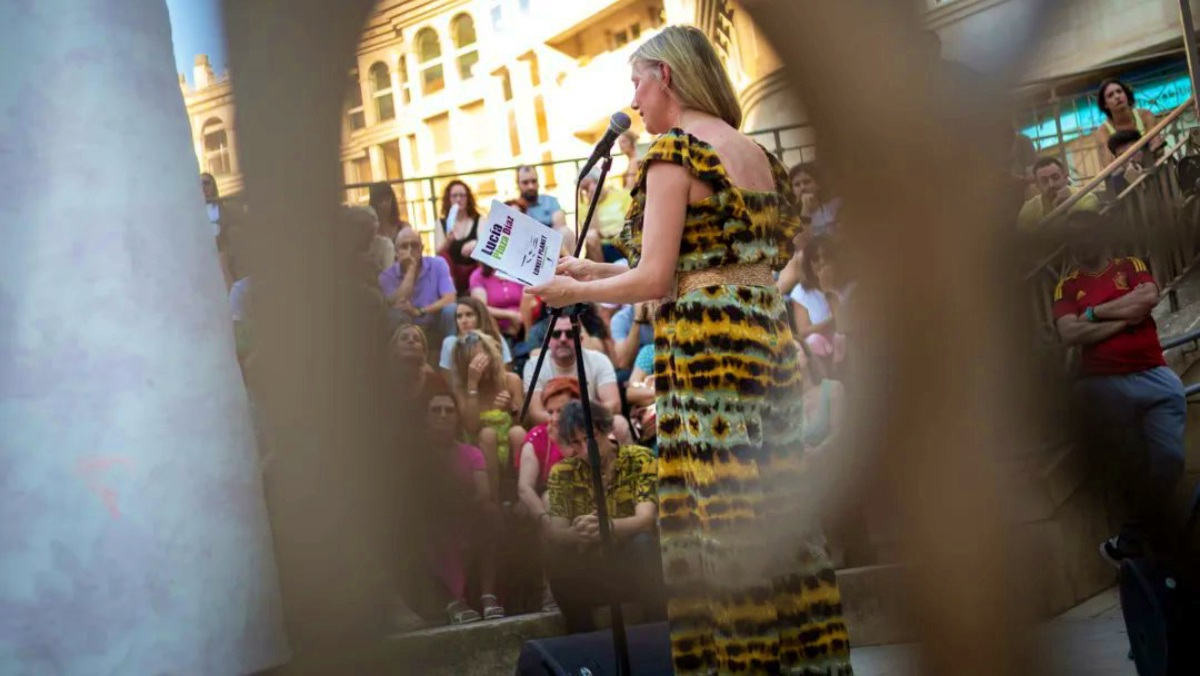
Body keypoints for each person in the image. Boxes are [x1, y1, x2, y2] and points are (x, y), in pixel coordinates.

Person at [527, 25, 852, 673]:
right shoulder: (756, 153)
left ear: (666, 77)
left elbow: (655, 279)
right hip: (764, 339)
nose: (634, 99)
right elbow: (702, 261)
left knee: (719, 516)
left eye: (637, 82)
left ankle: (742, 663)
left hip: (708, 350)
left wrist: (572, 293)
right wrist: (592, 272)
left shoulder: (674, 152)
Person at [1052, 210, 1185, 567]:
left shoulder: (1131, 265)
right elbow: (1070, 332)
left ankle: (1129, 540)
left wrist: (1093, 314)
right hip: (1105, 384)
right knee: (1133, 470)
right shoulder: (1067, 286)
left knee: (1170, 460)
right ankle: (1147, 548)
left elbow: (1149, 298)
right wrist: (1125, 318)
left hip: (1154, 374)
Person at [539, 401, 666, 633]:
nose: (586, 449)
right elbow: (556, 531)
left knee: (643, 542)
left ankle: (658, 626)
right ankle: (581, 633)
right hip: (589, 567)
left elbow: (645, 518)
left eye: (590, 439)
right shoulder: (563, 473)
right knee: (557, 553)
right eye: (576, 443)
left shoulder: (640, 459)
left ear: (605, 430)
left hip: (631, 564)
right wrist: (578, 533)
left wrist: (607, 527)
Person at [423, 387, 505, 624]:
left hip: (467, 512)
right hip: (430, 516)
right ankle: (453, 601)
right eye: (436, 410)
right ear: (425, 416)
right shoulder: (416, 455)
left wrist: (461, 508)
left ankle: (488, 596)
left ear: (457, 417)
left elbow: (483, 492)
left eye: (449, 410)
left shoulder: (471, 454)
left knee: (490, 512)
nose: (443, 415)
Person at [514, 376, 582, 613]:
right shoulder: (537, 436)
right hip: (547, 502)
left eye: (560, 411)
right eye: (550, 411)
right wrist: (545, 520)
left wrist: (562, 444)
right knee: (549, 501)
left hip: (584, 496)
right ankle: (551, 589)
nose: (554, 418)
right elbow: (524, 488)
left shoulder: (587, 436)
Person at [451, 331, 526, 499]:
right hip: (480, 447)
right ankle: (492, 500)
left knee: (518, 432)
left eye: (483, 360)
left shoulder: (511, 380)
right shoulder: (461, 389)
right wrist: (472, 385)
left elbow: (522, 421)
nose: (481, 367)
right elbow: (471, 427)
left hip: (509, 446)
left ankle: (523, 497)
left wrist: (510, 407)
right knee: (488, 434)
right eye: (474, 364)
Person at [521, 316, 625, 432]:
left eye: (570, 334)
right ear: (547, 340)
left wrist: (579, 420)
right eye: (556, 334)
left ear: (580, 339)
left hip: (592, 424)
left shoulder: (599, 360)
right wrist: (567, 422)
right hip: (553, 426)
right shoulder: (534, 365)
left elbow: (614, 405)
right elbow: (536, 414)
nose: (563, 339)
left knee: (619, 422)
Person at [380, 227, 458, 337]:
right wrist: (411, 269)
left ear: (422, 248)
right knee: (395, 315)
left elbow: (450, 298)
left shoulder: (438, 264)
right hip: (406, 324)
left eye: (414, 245)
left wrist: (420, 311)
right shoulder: (387, 276)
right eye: (404, 246)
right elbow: (398, 303)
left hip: (434, 320)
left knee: (451, 309)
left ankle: (451, 344)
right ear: (396, 252)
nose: (410, 250)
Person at [1016, 157, 1101, 231]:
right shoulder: (1029, 210)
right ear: (1038, 186)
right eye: (1044, 181)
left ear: (1065, 178)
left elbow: (1085, 231)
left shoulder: (1086, 199)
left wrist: (1069, 206)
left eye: (1055, 177)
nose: (1051, 184)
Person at [439, 297, 513, 379]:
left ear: (480, 317)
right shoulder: (450, 343)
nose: (464, 321)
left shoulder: (496, 338)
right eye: (459, 316)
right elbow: (448, 379)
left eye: (469, 315)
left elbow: (506, 373)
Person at [1094, 78, 1162, 165]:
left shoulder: (1145, 115)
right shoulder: (1103, 131)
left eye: (1119, 91)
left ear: (1126, 95)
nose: (1117, 96)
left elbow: (1159, 150)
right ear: (1105, 105)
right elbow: (1108, 165)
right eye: (1110, 95)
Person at [437, 180, 481, 296]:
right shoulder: (441, 223)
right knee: (443, 257)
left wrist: (475, 244)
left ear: (468, 198)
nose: (458, 199)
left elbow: (485, 244)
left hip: (474, 269)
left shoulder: (478, 219)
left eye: (462, 195)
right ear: (449, 199)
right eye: (454, 196)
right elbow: (438, 252)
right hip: (453, 275)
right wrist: (448, 241)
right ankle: (450, 295)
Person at [580, 170, 633, 263]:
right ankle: (601, 270)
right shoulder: (584, 207)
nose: (589, 191)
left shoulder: (623, 195)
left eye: (590, 185)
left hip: (625, 241)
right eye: (584, 189)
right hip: (604, 247)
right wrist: (593, 206)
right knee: (591, 236)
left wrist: (611, 233)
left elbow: (633, 221)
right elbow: (592, 232)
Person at [469, 263, 524, 341]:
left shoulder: (519, 271)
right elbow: (480, 307)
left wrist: (522, 316)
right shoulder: (478, 276)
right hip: (497, 325)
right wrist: (511, 314)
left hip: (524, 320)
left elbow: (530, 298)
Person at [789, 162, 841, 236]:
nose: (802, 188)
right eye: (797, 185)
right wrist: (805, 209)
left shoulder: (834, 205)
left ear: (818, 185)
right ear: (793, 190)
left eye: (807, 182)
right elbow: (803, 240)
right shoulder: (790, 216)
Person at [390, 324, 436, 406]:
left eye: (417, 339)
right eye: (404, 338)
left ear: (424, 351)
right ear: (394, 348)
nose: (411, 341)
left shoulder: (435, 383)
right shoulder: (378, 381)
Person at [1105, 129, 1148, 197]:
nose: (1130, 159)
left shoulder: (1159, 167)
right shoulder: (1117, 181)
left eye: (1133, 152)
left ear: (1142, 149)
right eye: (1123, 156)